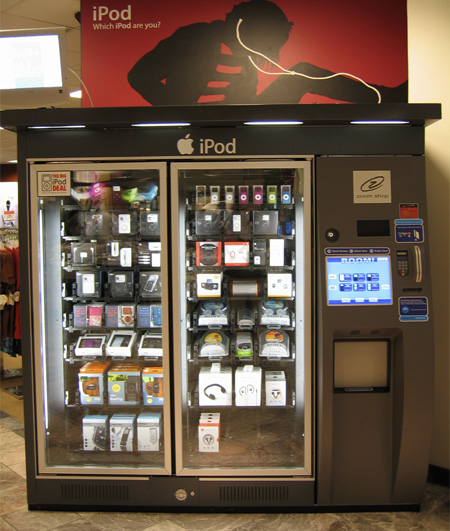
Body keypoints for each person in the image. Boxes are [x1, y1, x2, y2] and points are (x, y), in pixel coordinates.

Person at [128, 0, 407, 105]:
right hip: (200, 120)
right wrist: (177, 111)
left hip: (243, 115)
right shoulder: (194, 37)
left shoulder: (246, 56)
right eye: (270, 44)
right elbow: (138, 75)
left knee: (303, 72)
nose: (271, 54)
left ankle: (383, 96)